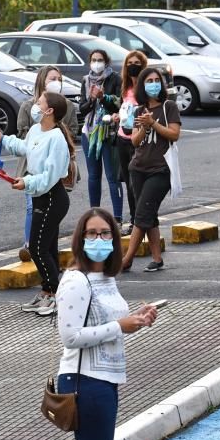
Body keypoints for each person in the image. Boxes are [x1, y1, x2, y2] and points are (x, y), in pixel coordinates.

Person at [52, 208, 156, 440]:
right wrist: (119, 327)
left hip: (104, 378)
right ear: (80, 239)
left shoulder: (104, 278)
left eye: (105, 233)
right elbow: (69, 336)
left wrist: (137, 319)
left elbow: (112, 321)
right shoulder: (76, 280)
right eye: (91, 233)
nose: (99, 240)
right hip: (85, 381)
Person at [0, 92, 74, 316]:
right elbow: (26, 147)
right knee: (48, 247)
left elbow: (49, 176)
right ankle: (47, 292)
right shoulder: (36, 130)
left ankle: (54, 294)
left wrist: (26, 182)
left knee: (36, 247)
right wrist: (3, 138)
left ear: (49, 111)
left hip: (53, 197)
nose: (35, 105)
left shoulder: (57, 139)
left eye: (39, 102)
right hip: (40, 196)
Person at [120, 69, 181, 273]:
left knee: (141, 214)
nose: (153, 84)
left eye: (157, 81)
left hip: (160, 170)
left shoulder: (168, 107)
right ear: (142, 86)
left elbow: (174, 134)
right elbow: (136, 141)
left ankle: (127, 259)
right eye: (149, 81)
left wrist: (153, 123)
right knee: (148, 214)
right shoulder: (139, 111)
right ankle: (156, 258)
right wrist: (144, 127)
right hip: (138, 169)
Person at [16, 66, 78, 259]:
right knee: (32, 207)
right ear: (42, 81)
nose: (56, 82)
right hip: (31, 167)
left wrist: (55, 132)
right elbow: (22, 135)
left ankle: (44, 251)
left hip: (55, 168)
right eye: (52, 78)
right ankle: (31, 244)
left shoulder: (65, 106)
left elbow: (73, 131)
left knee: (50, 213)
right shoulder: (29, 106)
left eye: (59, 78)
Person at [78, 49, 124, 225]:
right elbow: (82, 108)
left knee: (113, 177)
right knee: (93, 176)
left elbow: (118, 106)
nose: (97, 63)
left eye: (100, 60)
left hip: (109, 133)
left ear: (106, 62)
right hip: (89, 132)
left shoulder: (115, 79)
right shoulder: (86, 80)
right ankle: (94, 213)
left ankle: (118, 217)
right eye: (94, 60)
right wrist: (91, 99)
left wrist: (103, 97)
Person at [114, 52, 147, 236]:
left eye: (137, 63)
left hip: (137, 141)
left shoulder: (145, 89)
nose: (133, 66)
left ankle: (142, 222)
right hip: (122, 138)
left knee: (137, 183)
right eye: (130, 63)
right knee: (128, 183)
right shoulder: (125, 87)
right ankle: (134, 221)